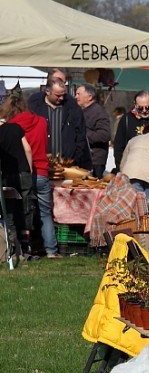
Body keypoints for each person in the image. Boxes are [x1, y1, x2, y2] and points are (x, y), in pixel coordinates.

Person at [3, 94, 57, 258]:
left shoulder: (11, 126)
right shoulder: (41, 121)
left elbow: (23, 149)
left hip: (21, 172)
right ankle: (51, 250)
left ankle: (23, 248)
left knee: (19, 212)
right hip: (41, 169)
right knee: (45, 213)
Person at [27, 77, 92, 170]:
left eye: (63, 95)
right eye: (57, 95)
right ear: (48, 91)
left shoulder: (73, 109)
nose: (61, 98)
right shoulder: (35, 109)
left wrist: (75, 158)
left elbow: (81, 135)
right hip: (41, 165)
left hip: (68, 164)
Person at [0, 99, 34, 261]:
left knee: (10, 211)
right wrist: (29, 168)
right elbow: (27, 148)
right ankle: (27, 245)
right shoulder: (16, 128)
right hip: (24, 172)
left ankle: (13, 246)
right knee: (26, 209)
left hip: (8, 175)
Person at [75, 84, 111, 178]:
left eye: (79, 94)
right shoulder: (80, 111)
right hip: (81, 159)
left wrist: (83, 134)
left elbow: (104, 135)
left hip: (95, 161)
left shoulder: (98, 112)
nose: (76, 97)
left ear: (89, 97)